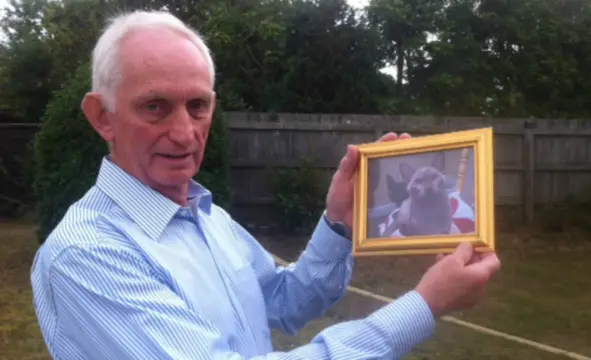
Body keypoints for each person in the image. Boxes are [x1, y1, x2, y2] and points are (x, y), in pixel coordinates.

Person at [30, 10, 502, 360]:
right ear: (102, 117)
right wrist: (422, 306)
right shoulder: (86, 254)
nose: (184, 132)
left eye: (198, 105)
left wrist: (338, 221)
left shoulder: (206, 216)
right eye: (155, 106)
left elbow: (282, 303)